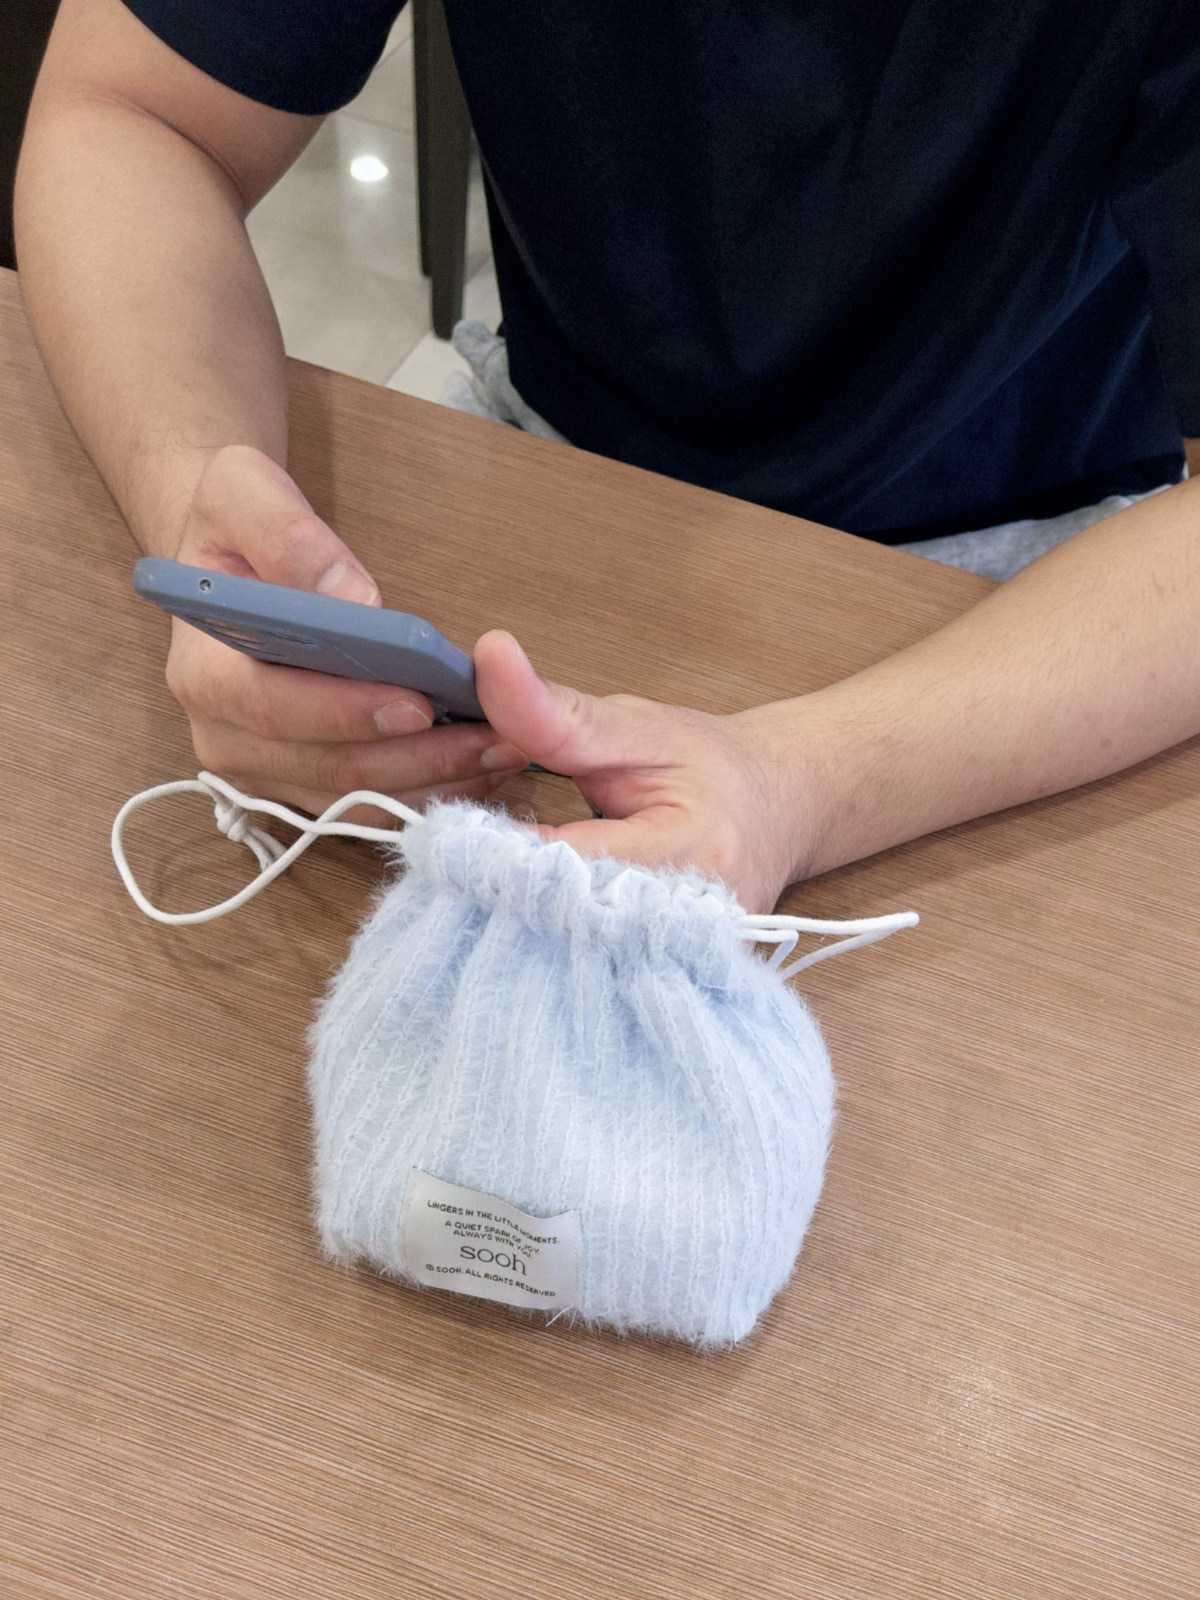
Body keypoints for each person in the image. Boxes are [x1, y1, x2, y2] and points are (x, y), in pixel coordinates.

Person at [15, 0, 1200, 913]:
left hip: (1064, 603)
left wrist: (803, 787)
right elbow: (131, 112)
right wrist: (200, 500)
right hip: (547, 459)